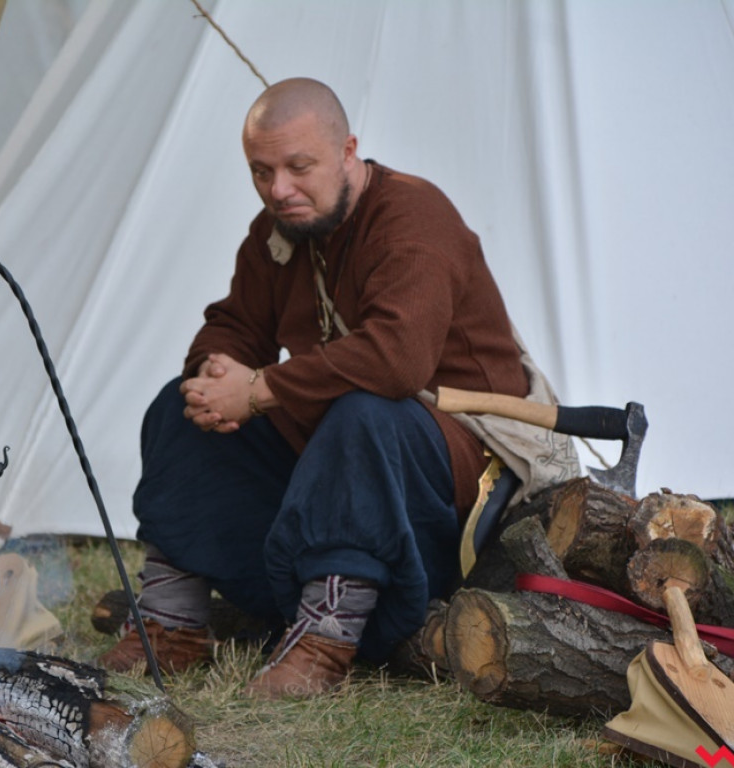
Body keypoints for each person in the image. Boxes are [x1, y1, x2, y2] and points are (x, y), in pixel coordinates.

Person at [98, 77, 572, 698]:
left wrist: (259, 388)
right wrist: (215, 375)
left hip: (459, 483)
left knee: (364, 414)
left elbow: (397, 361)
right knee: (180, 405)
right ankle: (174, 624)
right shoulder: (281, 230)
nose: (279, 189)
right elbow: (236, 324)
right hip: (347, 464)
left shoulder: (413, 216)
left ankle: (324, 642)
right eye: (261, 171)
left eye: (299, 167)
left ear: (348, 151)